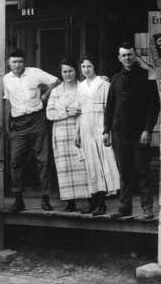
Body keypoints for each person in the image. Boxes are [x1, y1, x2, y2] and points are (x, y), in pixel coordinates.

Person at [103, 42, 160, 220]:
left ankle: (147, 207)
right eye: (123, 55)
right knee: (124, 170)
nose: (127, 58)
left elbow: (154, 106)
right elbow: (110, 106)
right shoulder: (116, 79)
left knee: (143, 169)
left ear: (134, 55)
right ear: (119, 58)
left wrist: (147, 130)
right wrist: (106, 130)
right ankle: (124, 206)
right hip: (120, 132)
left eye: (129, 54)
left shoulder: (146, 76)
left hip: (139, 133)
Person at [3, 49, 60, 212]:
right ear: (9, 63)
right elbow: (7, 102)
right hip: (18, 123)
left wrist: (45, 96)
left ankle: (45, 198)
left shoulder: (34, 72)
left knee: (43, 160)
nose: (17, 65)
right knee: (15, 161)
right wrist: (7, 125)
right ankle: (18, 199)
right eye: (14, 62)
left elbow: (56, 82)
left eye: (20, 61)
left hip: (37, 120)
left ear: (24, 62)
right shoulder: (6, 79)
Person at [77, 54, 120, 215]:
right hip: (85, 124)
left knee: (103, 163)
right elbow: (80, 110)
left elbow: (110, 108)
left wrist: (107, 129)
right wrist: (78, 132)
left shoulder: (103, 84)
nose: (86, 70)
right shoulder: (80, 86)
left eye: (89, 66)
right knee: (90, 164)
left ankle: (102, 203)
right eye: (83, 67)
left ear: (94, 67)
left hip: (100, 123)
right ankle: (92, 201)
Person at [46, 58, 90, 212]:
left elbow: (90, 106)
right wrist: (67, 112)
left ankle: (88, 200)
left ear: (76, 71)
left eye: (70, 71)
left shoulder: (83, 87)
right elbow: (49, 113)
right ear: (61, 73)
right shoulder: (56, 91)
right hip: (61, 132)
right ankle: (70, 202)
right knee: (65, 167)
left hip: (80, 129)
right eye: (64, 71)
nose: (68, 74)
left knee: (83, 163)